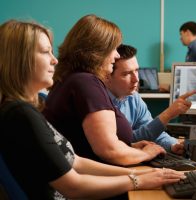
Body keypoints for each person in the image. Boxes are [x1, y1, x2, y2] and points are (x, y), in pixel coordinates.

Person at [0, 19, 185, 200]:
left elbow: (75, 162)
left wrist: (140, 173)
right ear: (19, 60)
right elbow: (74, 186)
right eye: (45, 52)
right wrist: (137, 180)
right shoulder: (21, 114)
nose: (54, 60)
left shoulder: (25, 110)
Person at [43, 14, 166, 166]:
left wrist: (131, 148)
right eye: (113, 48)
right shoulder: (86, 83)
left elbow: (84, 143)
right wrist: (143, 154)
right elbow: (109, 151)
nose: (117, 55)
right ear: (97, 51)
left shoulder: (72, 79)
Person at [105, 44, 196, 154]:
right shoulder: (100, 101)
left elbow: (153, 132)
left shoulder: (134, 98)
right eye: (126, 74)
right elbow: (127, 140)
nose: (136, 79)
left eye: (136, 71)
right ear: (108, 76)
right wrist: (168, 114)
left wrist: (173, 145)